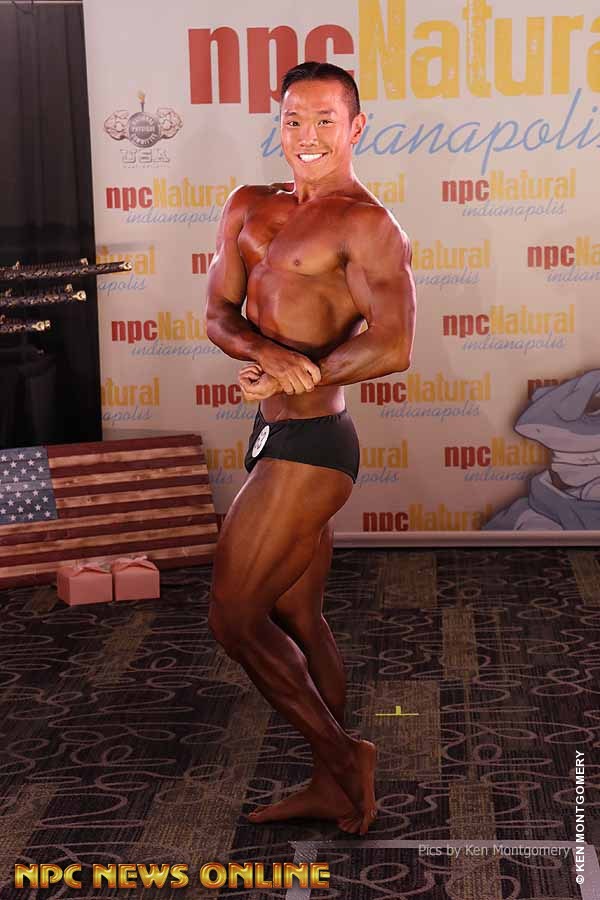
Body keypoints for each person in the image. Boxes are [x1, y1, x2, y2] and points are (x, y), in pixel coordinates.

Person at [206, 61, 416, 835]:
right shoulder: (247, 204)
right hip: (273, 432)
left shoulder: (367, 224)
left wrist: (303, 371)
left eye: (326, 120)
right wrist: (261, 352)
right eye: (295, 119)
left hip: (315, 443)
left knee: (233, 619)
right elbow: (218, 313)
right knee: (297, 615)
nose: (308, 135)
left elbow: (394, 345)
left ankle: (344, 756)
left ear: (355, 128)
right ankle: (331, 785)